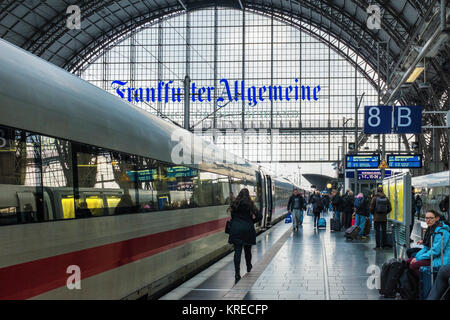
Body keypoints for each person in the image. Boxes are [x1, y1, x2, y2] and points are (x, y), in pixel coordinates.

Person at [228, 188, 262, 284]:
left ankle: (237, 273)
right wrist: (251, 222)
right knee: (248, 250)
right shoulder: (250, 204)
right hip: (247, 230)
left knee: (237, 252)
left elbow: (232, 217)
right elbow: (259, 216)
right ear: (248, 195)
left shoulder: (234, 204)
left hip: (236, 230)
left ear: (239, 194)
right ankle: (248, 266)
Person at [407, 210, 450, 278]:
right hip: (434, 257)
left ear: (437, 218)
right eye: (426, 218)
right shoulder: (432, 229)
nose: (428, 220)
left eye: (431, 218)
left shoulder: (441, 232)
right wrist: (417, 257)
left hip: (441, 259)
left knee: (413, 265)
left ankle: (423, 284)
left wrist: (418, 258)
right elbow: (426, 248)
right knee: (408, 261)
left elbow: (436, 251)